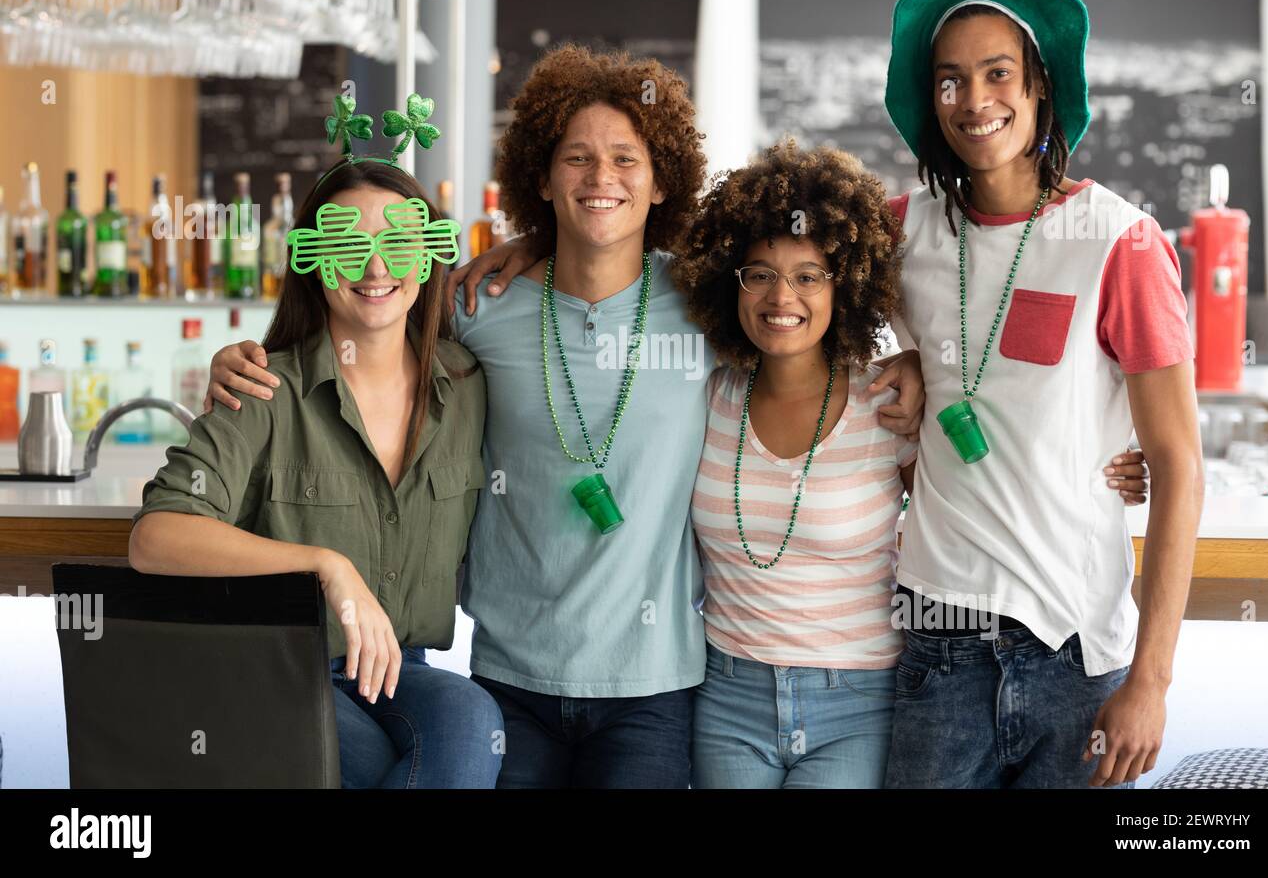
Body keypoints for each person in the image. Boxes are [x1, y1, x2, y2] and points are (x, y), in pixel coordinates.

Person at [203, 45, 928, 788]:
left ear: (660, 182)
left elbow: (802, 318)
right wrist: (251, 358)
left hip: (656, 689)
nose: (601, 178)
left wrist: (909, 363)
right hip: (511, 682)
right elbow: (365, 307)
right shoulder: (477, 305)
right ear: (541, 179)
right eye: (576, 158)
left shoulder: (709, 307)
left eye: (625, 159)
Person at [674, 140, 1149, 788]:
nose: (780, 294)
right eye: (757, 272)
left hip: (862, 697)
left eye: (809, 274)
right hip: (727, 694)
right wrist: (529, 245)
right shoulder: (706, 396)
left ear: (846, 281)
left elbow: (1000, 461)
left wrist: (1116, 460)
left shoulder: (887, 407)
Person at [880, 0, 1203, 788]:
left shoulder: (1120, 242)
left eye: (997, 74)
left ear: (1041, 90)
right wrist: (903, 352)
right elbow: (749, 267)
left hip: (1076, 656)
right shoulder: (893, 230)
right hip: (935, 651)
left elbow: (1178, 468)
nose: (974, 101)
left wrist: (1151, 681)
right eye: (950, 81)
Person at [130, 136, 503, 788]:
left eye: (398, 243)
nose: (375, 265)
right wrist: (327, 568)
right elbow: (156, 536)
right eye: (346, 245)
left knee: (471, 719)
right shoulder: (264, 389)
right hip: (270, 665)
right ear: (313, 260)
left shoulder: (469, 383)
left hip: (398, 672)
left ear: (428, 256)